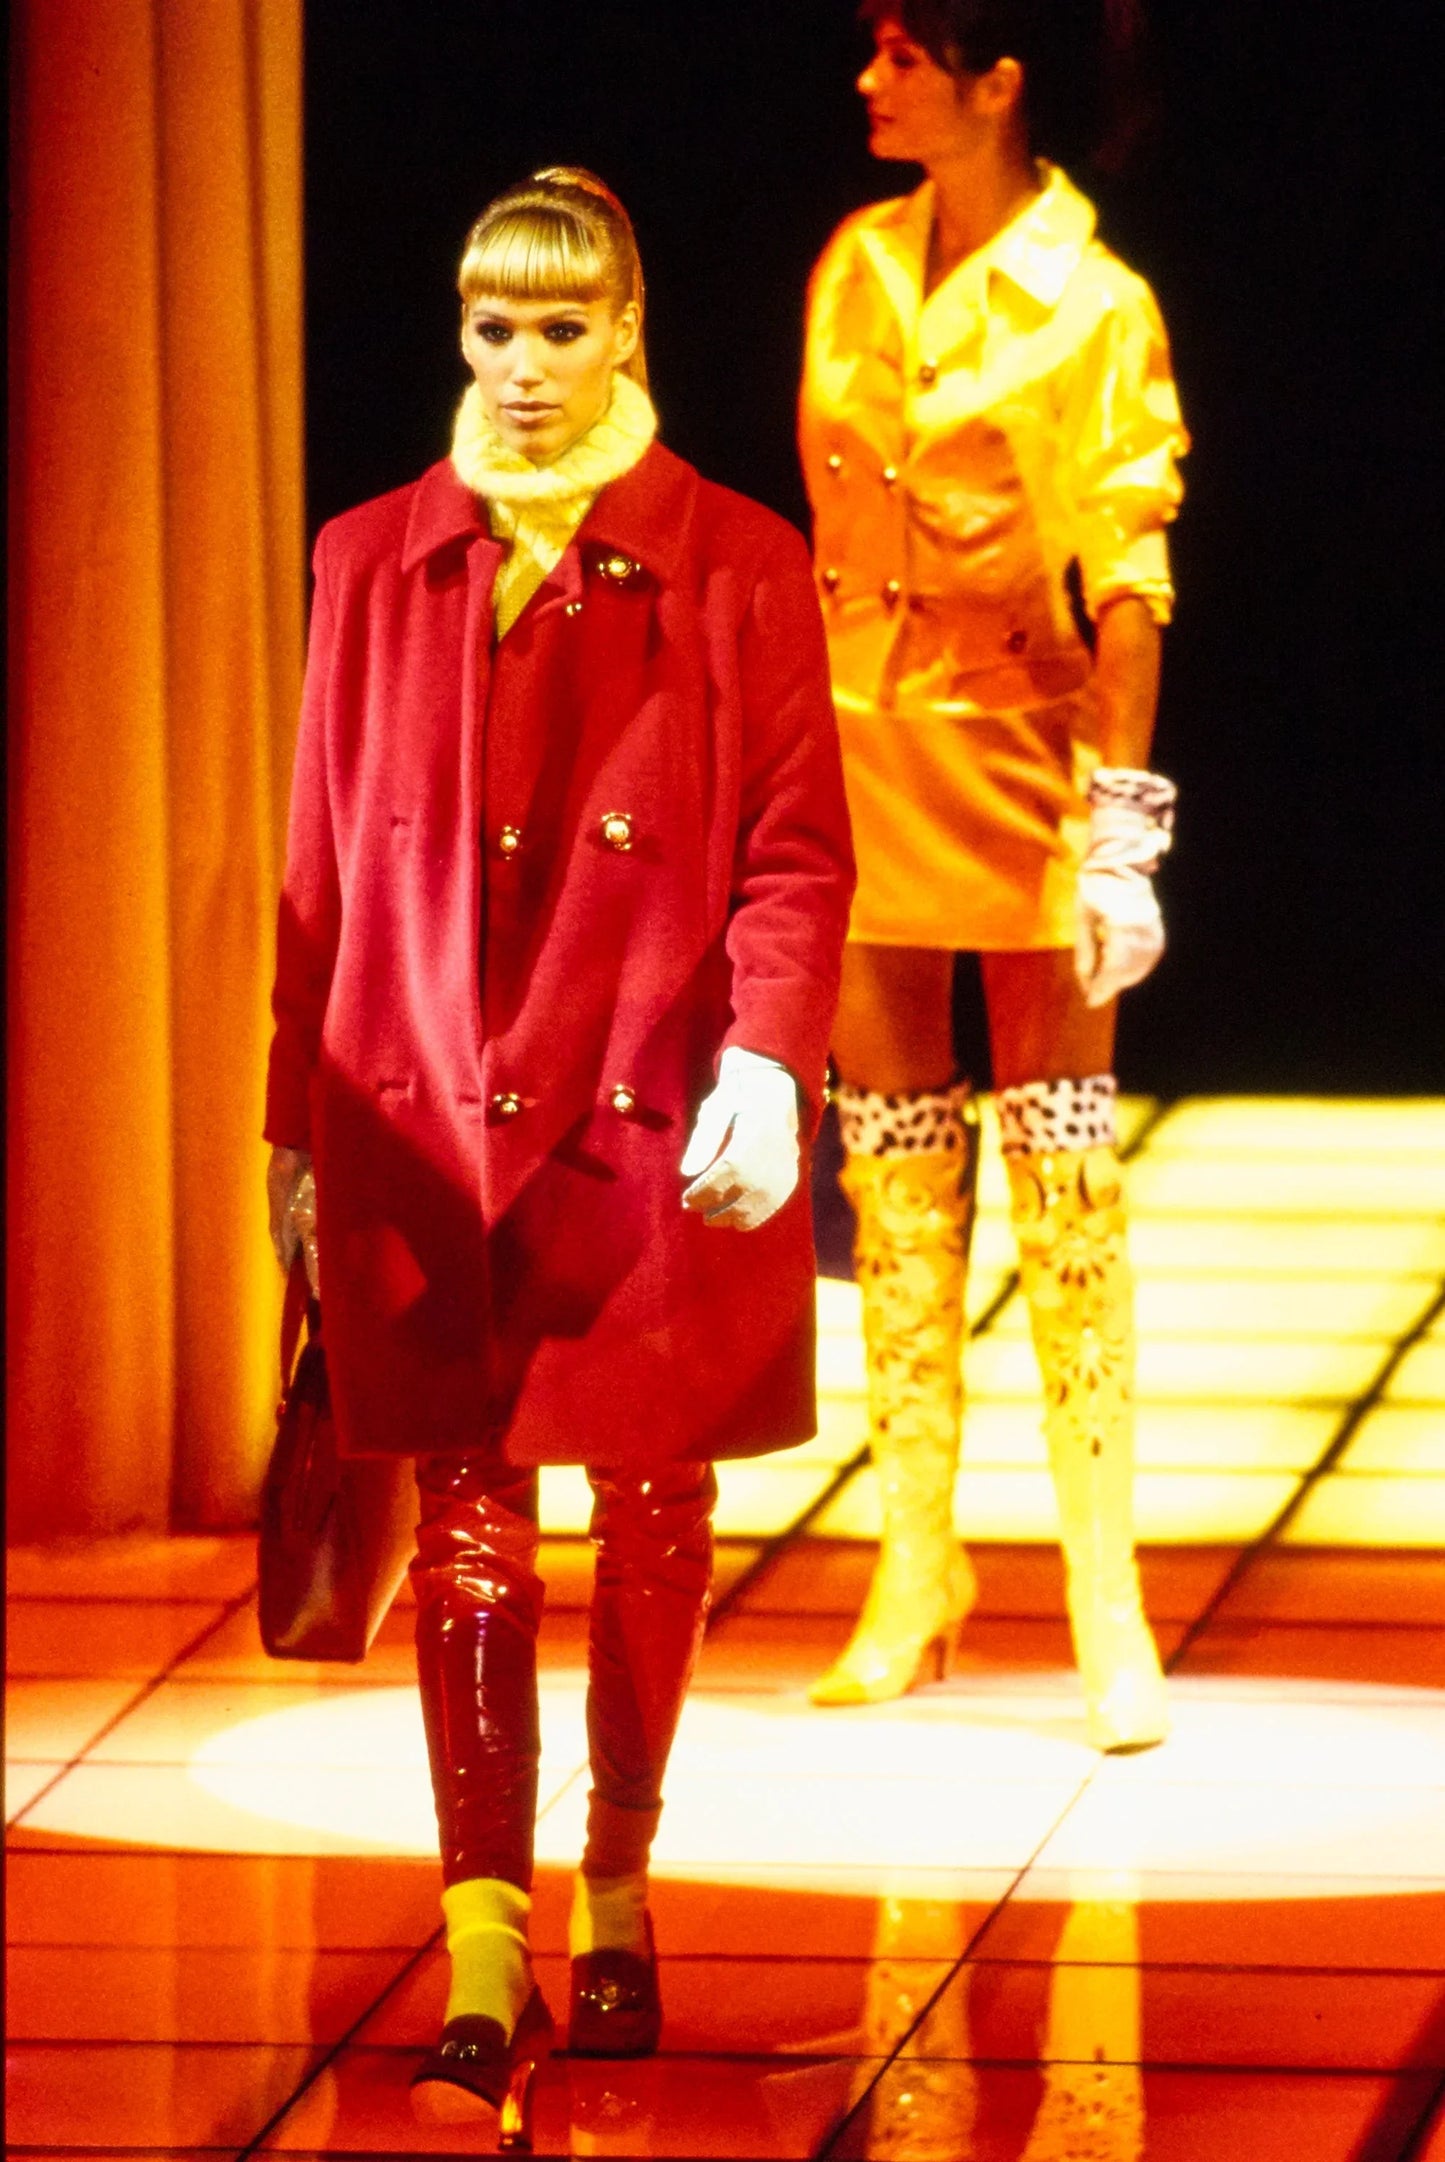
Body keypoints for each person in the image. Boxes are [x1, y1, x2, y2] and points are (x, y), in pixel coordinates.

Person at [264, 168, 853, 2139]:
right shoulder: (373, 558)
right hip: (423, 1106)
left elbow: (796, 845)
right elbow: (318, 866)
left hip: (648, 1102)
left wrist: (769, 1056)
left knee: (655, 1506)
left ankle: (617, 1883)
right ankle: (483, 1945)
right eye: (492, 327)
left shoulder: (734, 560)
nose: (522, 366)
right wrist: (292, 1120)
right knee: (467, 1516)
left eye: (561, 328)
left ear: (629, 332)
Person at [799, 2, 1186, 1750]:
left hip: (1027, 756)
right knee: (889, 1167)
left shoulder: (1093, 304)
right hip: (858, 745)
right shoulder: (852, 265)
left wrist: (1122, 823)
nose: (870, 81)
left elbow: (1128, 571)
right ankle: (915, 1560)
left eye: (903, 54)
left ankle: (1103, 1589)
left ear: (995, 81)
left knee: (1060, 1170)